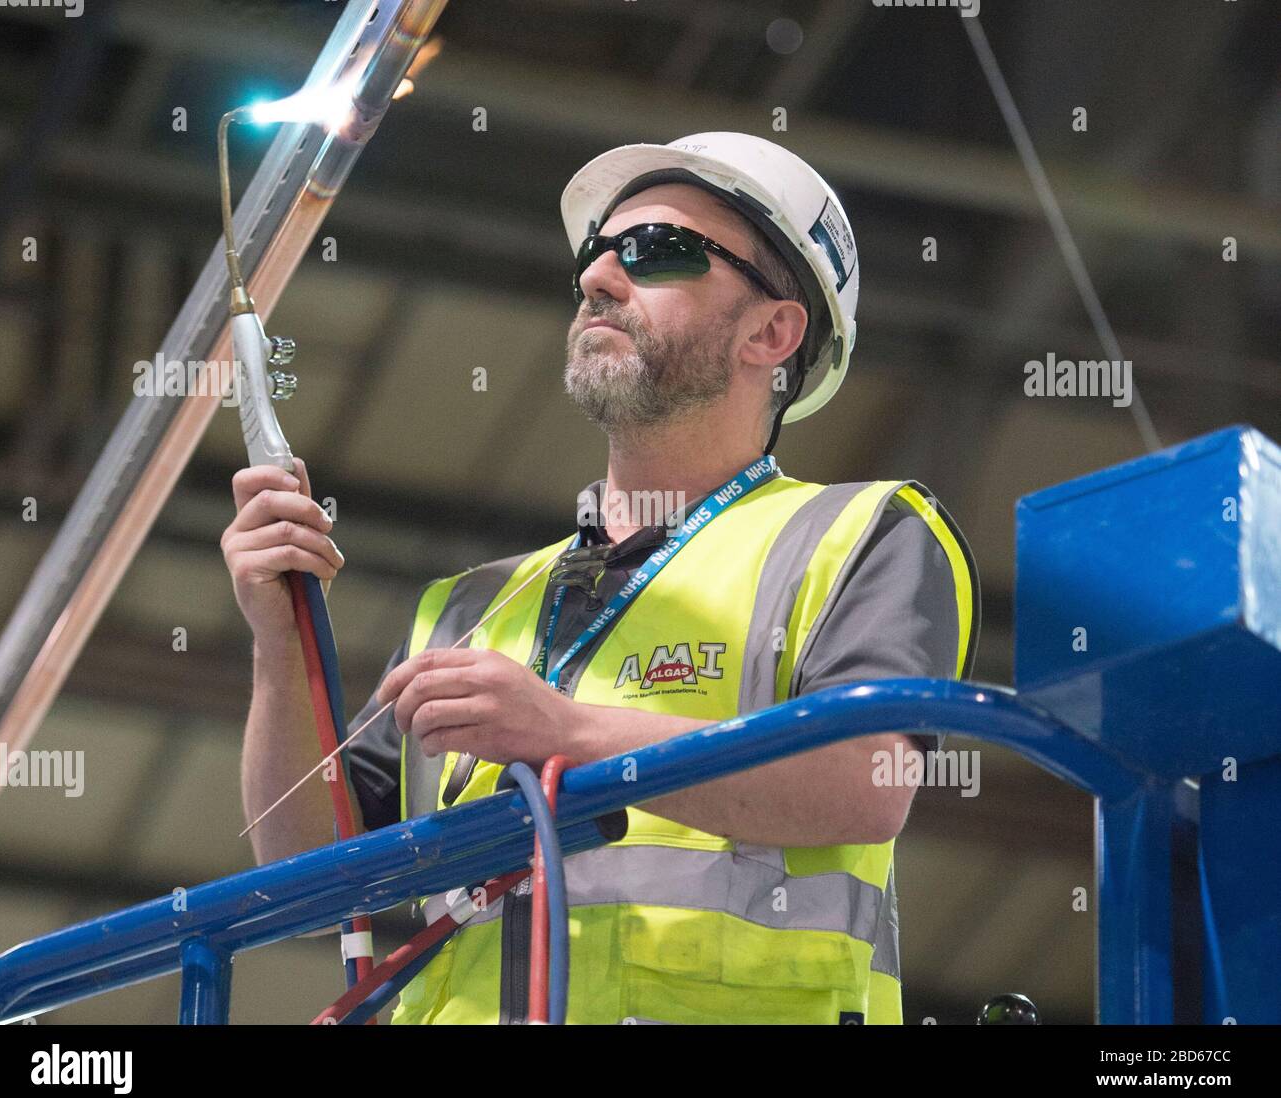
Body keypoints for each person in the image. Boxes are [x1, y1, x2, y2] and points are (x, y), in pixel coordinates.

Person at [225, 132, 980, 1024]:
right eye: (595, 255)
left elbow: (865, 782)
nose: (598, 278)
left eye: (658, 251)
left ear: (772, 331)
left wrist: (565, 731)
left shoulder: (859, 534)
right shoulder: (471, 607)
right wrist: (278, 645)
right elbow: (299, 883)